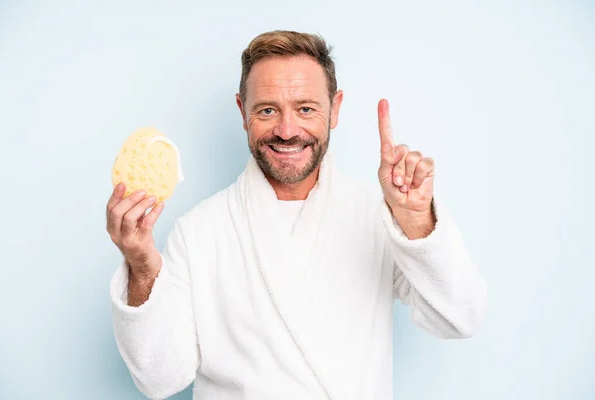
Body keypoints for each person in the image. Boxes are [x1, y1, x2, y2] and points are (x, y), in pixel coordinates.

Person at [106, 30, 487, 400]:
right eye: (268, 110)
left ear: (335, 109)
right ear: (242, 111)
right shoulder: (199, 231)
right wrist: (141, 267)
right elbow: (159, 378)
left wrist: (417, 220)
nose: (287, 131)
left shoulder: (377, 217)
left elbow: (458, 317)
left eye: (306, 109)